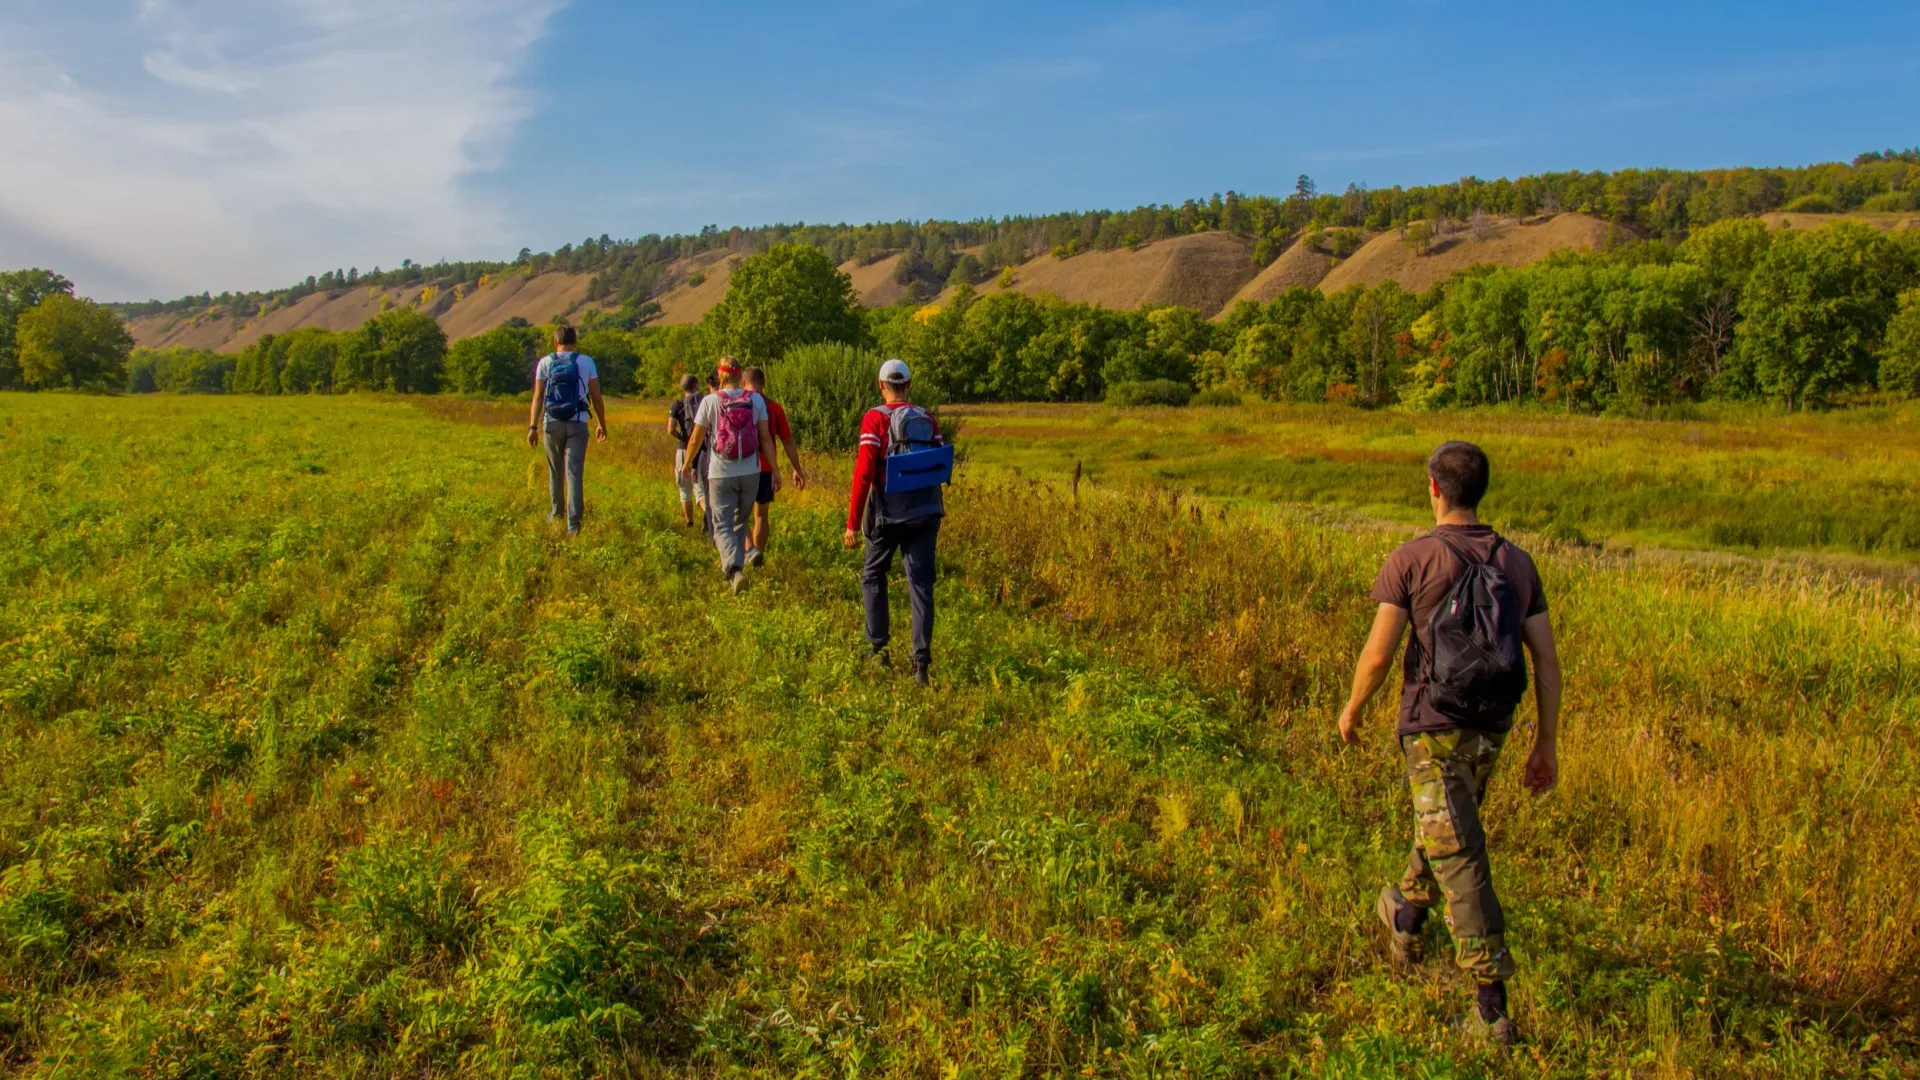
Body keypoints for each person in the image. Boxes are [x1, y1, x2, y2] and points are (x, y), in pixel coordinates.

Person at [1335, 441, 1562, 1047]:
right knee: (1446, 829)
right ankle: (1406, 917)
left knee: (1459, 850)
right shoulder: (1519, 564)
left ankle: (1491, 1006)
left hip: (1432, 725)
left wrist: (1353, 708)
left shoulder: (1412, 558)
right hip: (1492, 727)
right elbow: (1546, 660)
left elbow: (1380, 653)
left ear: (1434, 488)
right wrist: (1546, 742)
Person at [843, 358, 944, 686]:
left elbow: (864, 472)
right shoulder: (928, 418)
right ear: (910, 385)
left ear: (880, 385)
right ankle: (921, 663)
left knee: (873, 574)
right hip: (927, 510)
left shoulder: (875, 419)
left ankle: (877, 648)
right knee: (921, 584)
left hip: (888, 511)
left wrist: (852, 522)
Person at [681, 357, 776, 593]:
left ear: (720, 375)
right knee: (739, 522)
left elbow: (695, 438)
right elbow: (765, 438)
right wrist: (774, 469)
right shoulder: (755, 400)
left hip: (720, 473)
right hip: (751, 472)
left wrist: (686, 463)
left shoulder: (710, 401)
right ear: (739, 375)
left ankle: (734, 571)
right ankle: (749, 554)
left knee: (722, 525)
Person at [525, 326, 607, 535]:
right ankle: (573, 526)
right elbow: (596, 397)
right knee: (574, 474)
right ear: (575, 341)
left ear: (555, 342)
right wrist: (601, 424)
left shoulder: (545, 362)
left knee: (555, 471)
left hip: (551, 423)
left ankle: (556, 515)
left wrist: (533, 426)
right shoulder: (586, 362)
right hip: (578, 423)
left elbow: (538, 396)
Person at [743, 365, 806, 565]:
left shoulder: (737, 404)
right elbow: (787, 440)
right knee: (761, 515)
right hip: (766, 469)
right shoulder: (774, 407)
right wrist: (797, 468)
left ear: (744, 383)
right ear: (764, 384)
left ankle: (748, 550)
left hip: (741, 467)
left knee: (740, 515)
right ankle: (758, 555)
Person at [667, 373, 706, 528]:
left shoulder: (676, 404)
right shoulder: (703, 402)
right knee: (700, 488)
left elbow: (670, 429)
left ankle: (689, 523)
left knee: (684, 489)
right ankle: (707, 514)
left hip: (683, 449)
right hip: (701, 449)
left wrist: (682, 438)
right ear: (695, 385)